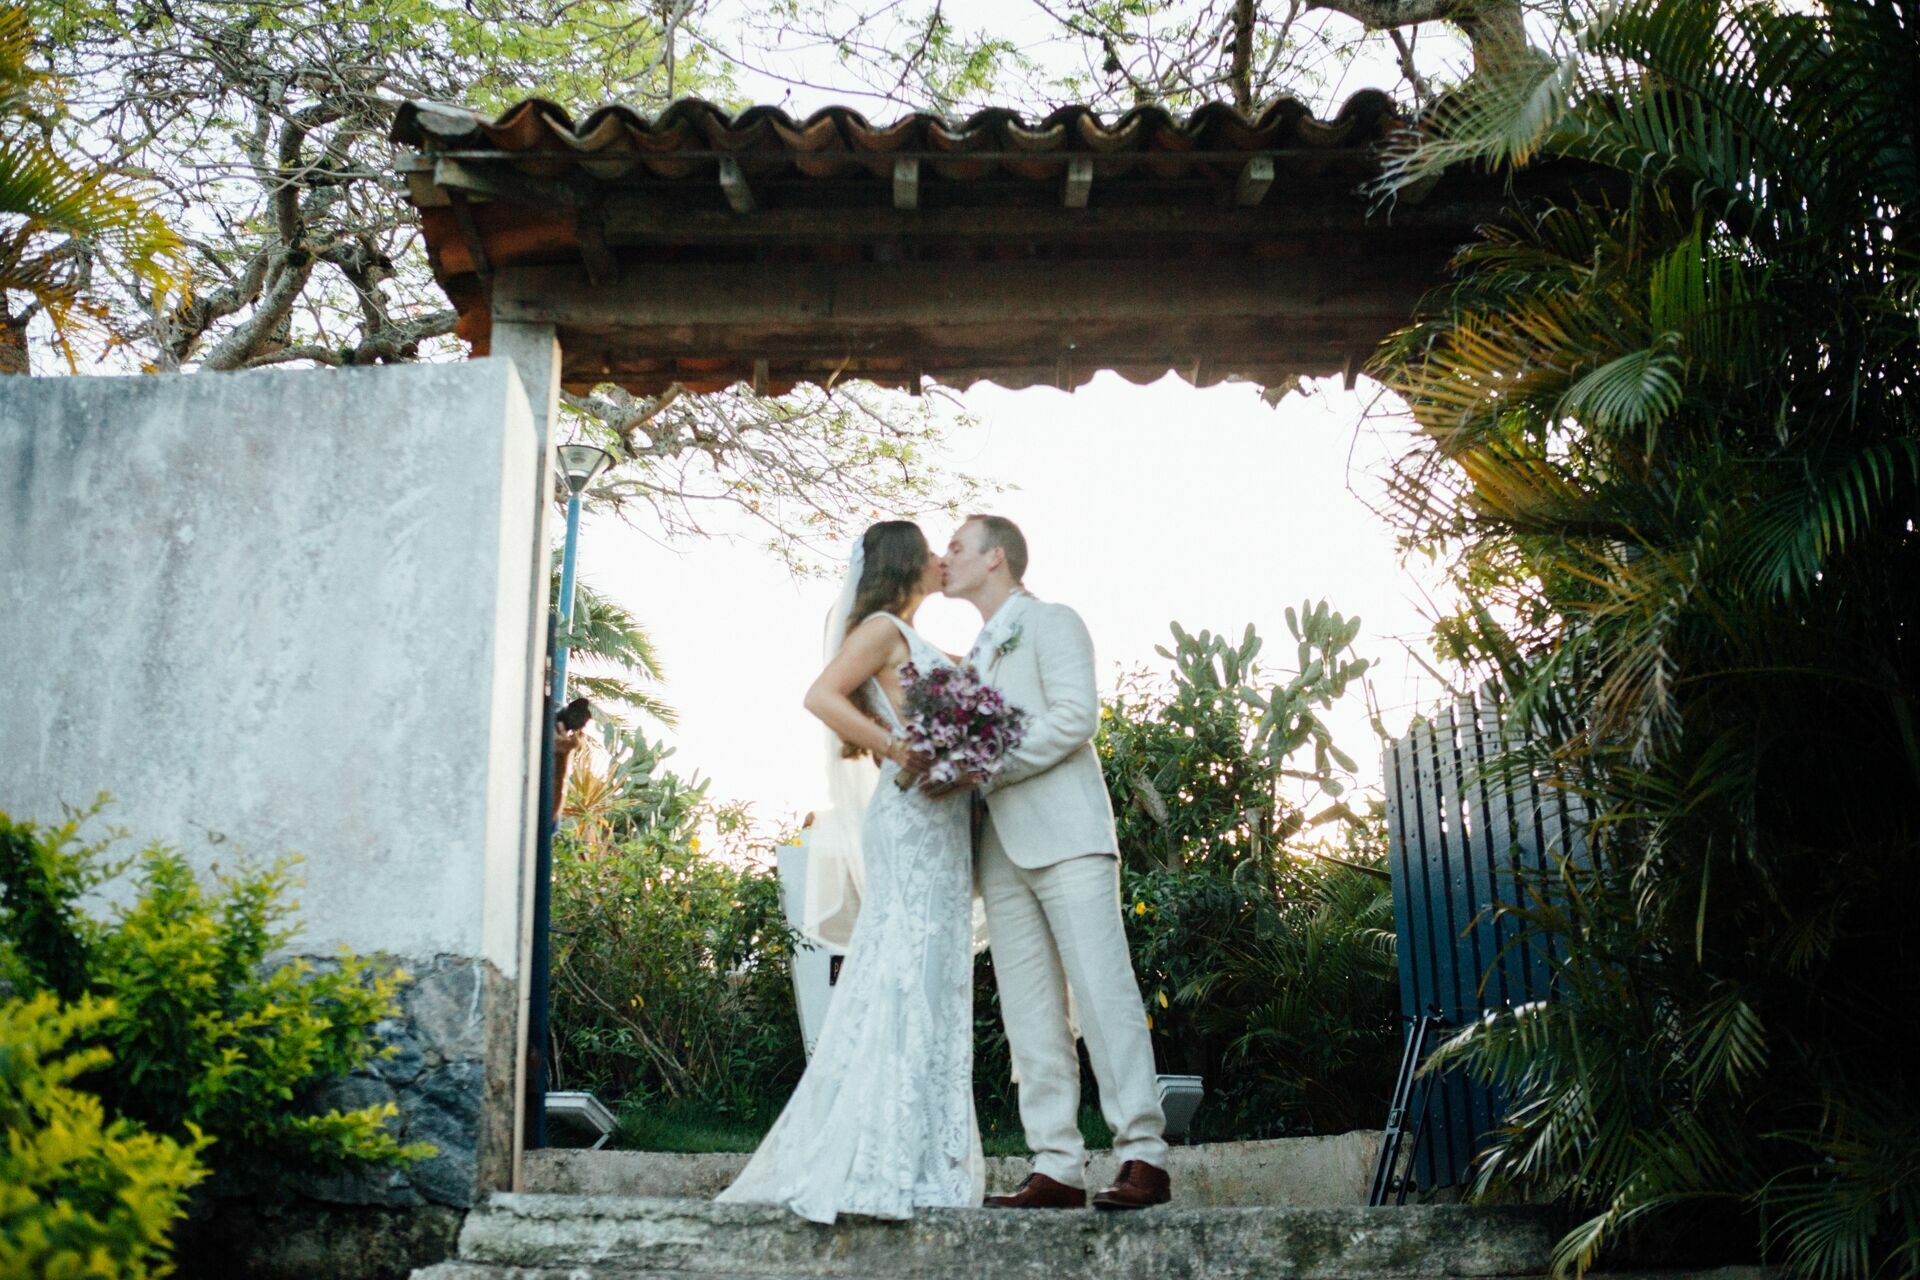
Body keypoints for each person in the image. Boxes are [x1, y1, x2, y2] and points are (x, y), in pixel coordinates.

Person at [716, 520, 984, 1223]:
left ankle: (922, 1156)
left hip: (946, 825)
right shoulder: (885, 629)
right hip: (912, 819)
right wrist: (900, 749)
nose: (939, 559)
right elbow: (821, 695)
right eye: (930, 549)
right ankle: (883, 1160)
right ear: (902, 562)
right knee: (904, 969)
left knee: (935, 977)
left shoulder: (916, 639)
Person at [940, 514, 1172, 1211]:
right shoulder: (970, 655)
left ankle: (1143, 1154)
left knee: (1103, 994)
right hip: (1001, 851)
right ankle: (1056, 1165)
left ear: (996, 558)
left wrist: (985, 762)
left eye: (956, 546)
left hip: (1068, 836)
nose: (942, 557)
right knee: (1029, 1011)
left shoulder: (1052, 622)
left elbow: (1075, 718)